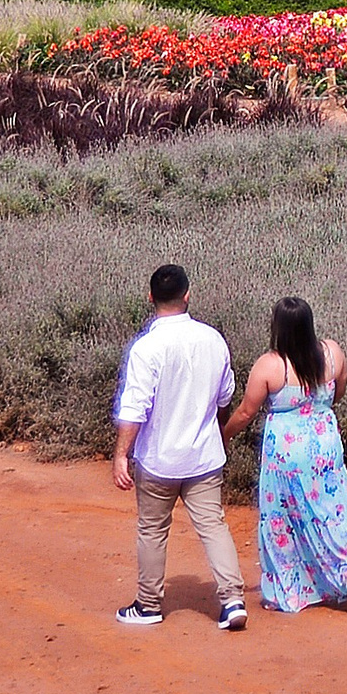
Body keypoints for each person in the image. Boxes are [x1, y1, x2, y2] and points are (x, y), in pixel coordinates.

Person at [220, 297, 347, 614]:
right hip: (325, 446)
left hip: (286, 455)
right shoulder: (332, 353)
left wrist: (224, 435)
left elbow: (246, 412)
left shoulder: (270, 365)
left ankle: (294, 590)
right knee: (341, 513)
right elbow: (338, 392)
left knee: (285, 520)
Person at [112, 264, 247, 631]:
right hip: (204, 457)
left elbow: (135, 407)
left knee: (152, 530)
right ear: (187, 295)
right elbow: (225, 395)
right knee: (213, 526)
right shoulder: (213, 339)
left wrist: (121, 454)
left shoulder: (146, 348)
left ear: (150, 297)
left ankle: (148, 605)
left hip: (159, 460)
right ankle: (232, 599)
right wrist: (214, 429)